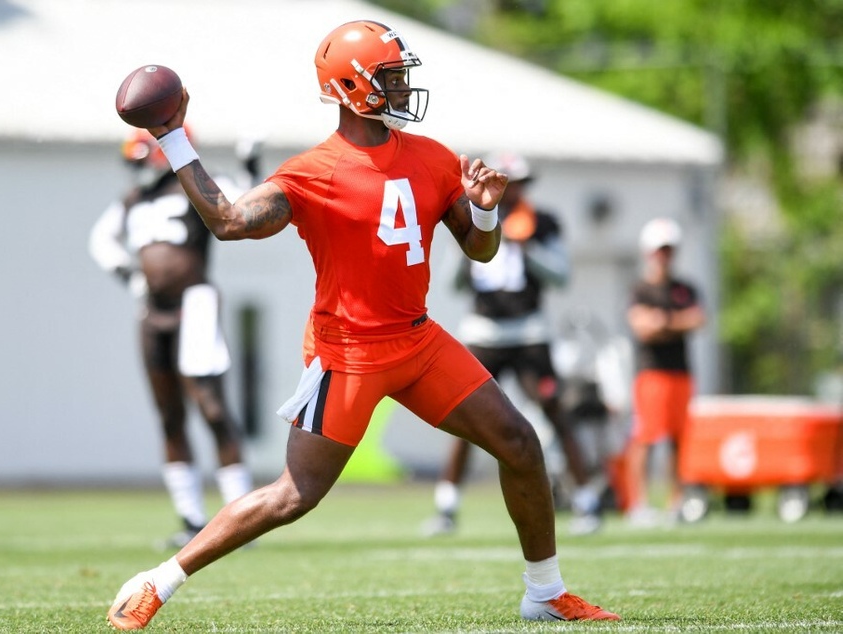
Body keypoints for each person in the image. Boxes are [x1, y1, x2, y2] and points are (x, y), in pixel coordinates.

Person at [105, 20, 619, 629]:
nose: (403, 87)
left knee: (520, 443)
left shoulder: (431, 157)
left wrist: (485, 211)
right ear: (351, 87)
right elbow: (229, 221)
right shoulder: (313, 171)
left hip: (418, 338)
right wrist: (174, 141)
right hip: (348, 351)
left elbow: (479, 251)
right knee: (293, 496)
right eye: (390, 77)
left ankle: (544, 592)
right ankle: (158, 581)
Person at [422, 152, 603, 538]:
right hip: (484, 332)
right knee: (464, 419)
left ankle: (587, 502)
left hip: (529, 334)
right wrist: (471, 241)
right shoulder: (470, 214)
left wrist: (525, 247)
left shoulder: (542, 223)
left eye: (518, 183)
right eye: (507, 181)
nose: (511, 190)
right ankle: (446, 507)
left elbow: (561, 276)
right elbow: (451, 284)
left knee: (555, 410)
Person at [89, 129, 253, 548]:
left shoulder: (192, 186)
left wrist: (251, 166)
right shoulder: (134, 201)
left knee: (213, 410)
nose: (136, 170)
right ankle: (191, 519)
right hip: (153, 313)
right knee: (168, 415)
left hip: (195, 304)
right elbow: (100, 239)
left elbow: (244, 202)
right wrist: (128, 274)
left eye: (141, 160)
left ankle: (243, 519)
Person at [624, 217, 705, 526]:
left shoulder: (685, 289)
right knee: (645, 436)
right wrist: (676, 322)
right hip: (651, 373)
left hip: (681, 372)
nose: (664, 256)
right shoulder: (641, 289)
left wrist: (664, 322)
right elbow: (642, 327)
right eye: (660, 250)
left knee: (678, 438)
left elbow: (698, 320)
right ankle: (639, 504)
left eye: (669, 250)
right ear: (649, 253)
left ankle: (676, 501)